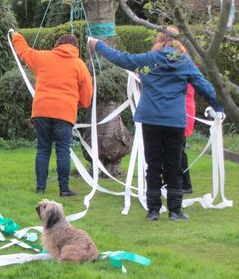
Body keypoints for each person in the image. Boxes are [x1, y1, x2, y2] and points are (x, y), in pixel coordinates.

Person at [88, 27, 223, 221]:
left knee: (152, 164)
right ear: (179, 43)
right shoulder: (184, 62)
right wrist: (219, 107)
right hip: (175, 119)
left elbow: (120, 58)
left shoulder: (148, 60)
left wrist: (97, 44)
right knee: (173, 164)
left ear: (159, 40)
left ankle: (153, 210)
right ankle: (175, 210)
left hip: (150, 119)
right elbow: (205, 87)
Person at [12, 32, 93, 197]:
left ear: (58, 45)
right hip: (64, 112)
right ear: (75, 48)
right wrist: (78, 104)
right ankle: (64, 189)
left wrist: (16, 36)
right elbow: (87, 94)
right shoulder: (79, 64)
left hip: (41, 110)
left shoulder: (43, 57)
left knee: (43, 149)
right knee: (63, 150)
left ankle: (40, 188)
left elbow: (24, 52)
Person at [181, 83, 195, 193]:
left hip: (183, 113)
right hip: (181, 112)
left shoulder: (187, 69)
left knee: (179, 151)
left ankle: (186, 184)